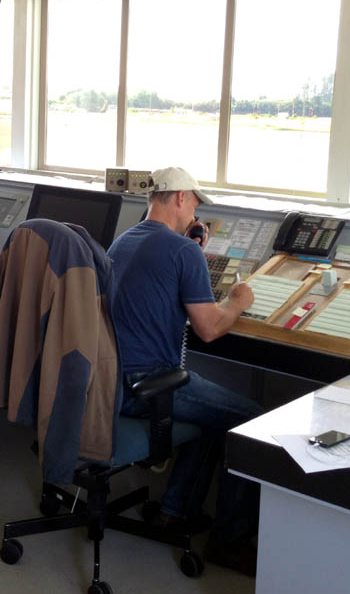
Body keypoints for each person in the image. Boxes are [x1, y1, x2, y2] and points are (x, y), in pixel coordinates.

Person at [107, 165, 261, 573]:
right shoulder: (183, 251)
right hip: (146, 384)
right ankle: (230, 541)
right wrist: (239, 301)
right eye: (194, 202)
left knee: (212, 415)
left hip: (106, 379)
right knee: (251, 422)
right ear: (179, 197)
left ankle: (175, 511)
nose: (195, 213)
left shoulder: (123, 241)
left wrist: (191, 250)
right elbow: (209, 328)